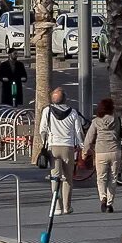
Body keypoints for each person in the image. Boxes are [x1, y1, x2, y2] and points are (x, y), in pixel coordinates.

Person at [39, 87, 84, 215]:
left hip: (53, 147)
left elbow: (42, 130)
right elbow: (78, 131)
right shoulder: (73, 112)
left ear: (53, 99)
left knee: (55, 177)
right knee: (68, 178)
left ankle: (56, 207)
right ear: (65, 99)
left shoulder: (47, 110)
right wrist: (81, 144)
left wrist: (45, 143)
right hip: (68, 147)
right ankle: (67, 206)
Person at [82, 98, 122, 213]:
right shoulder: (116, 119)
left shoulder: (96, 121)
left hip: (101, 151)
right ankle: (110, 203)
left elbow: (89, 138)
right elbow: (120, 133)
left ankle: (103, 198)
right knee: (113, 177)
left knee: (101, 178)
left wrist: (85, 151)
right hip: (115, 150)